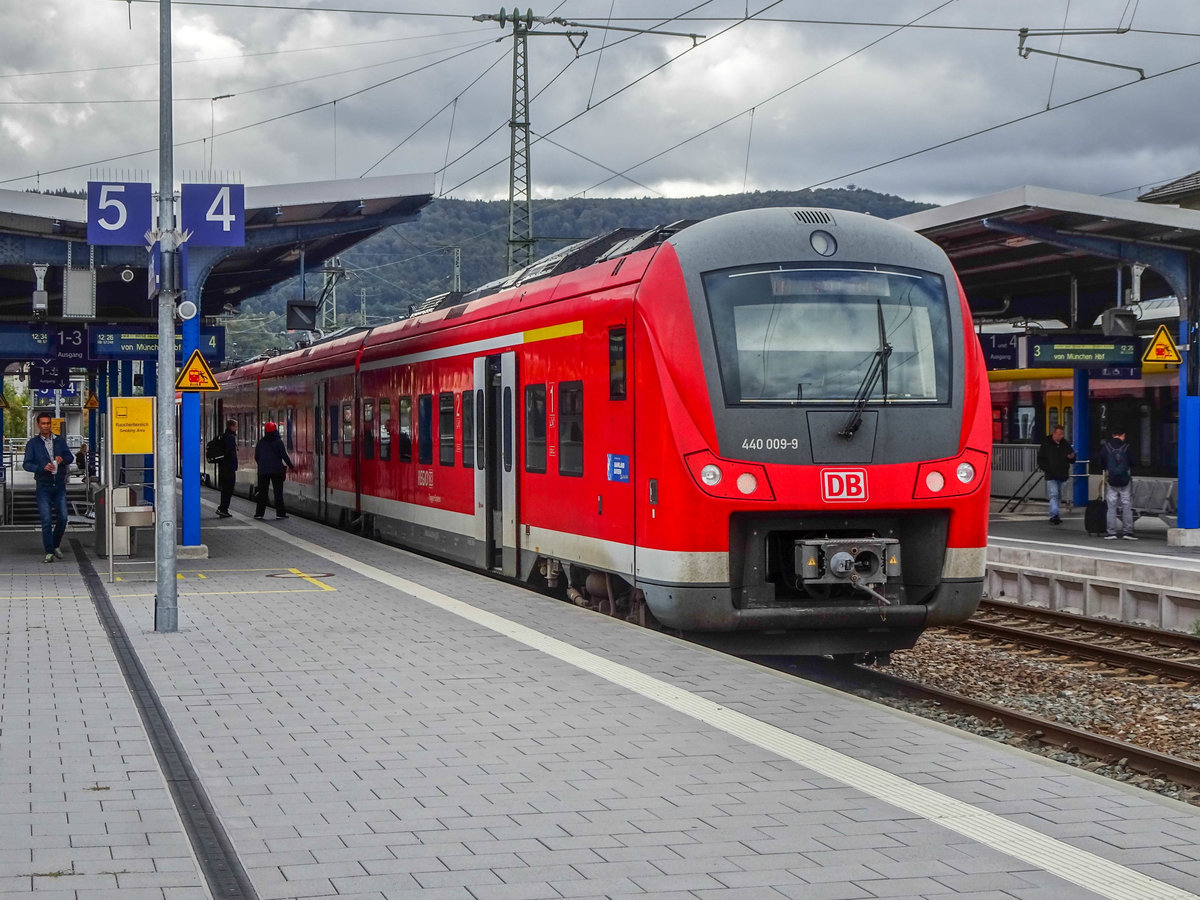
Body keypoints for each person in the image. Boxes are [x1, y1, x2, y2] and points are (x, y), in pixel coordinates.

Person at [22, 412, 72, 563]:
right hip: (43, 486)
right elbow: (26, 464)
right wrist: (41, 468)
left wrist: (62, 459)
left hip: (59, 486)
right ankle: (49, 552)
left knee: (63, 517)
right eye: (43, 423)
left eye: (48, 423)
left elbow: (71, 457)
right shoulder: (33, 444)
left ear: (51, 424)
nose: (46, 426)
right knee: (46, 520)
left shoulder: (60, 441)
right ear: (38, 425)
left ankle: (55, 545)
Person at [1099, 425, 1136, 540]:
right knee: (1126, 504)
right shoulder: (1127, 447)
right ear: (1123, 435)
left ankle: (1111, 532)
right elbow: (1133, 462)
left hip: (1112, 481)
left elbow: (1101, 462)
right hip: (1125, 481)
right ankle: (1127, 532)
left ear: (1113, 435)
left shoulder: (1106, 447)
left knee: (1111, 506)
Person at [253, 421, 293, 520]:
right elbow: (284, 456)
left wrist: (262, 464)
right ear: (275, 430)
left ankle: (259, 514)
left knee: (262, 493)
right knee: (278, 493)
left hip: (263, 471)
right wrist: (291, 467)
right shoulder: (278, 442)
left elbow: (257, 456)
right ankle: (280, 513)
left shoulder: (261, 442)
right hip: (277, 471)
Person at [1036, 425, 1075, 525]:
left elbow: (1072, 458)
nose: (1061, 436)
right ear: (1054, 433)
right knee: (1054, 494)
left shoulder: (1065, 444)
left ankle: (1054, 514)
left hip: (1062, 474)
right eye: (1059, 434)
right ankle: (1055, 514)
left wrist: (1071, 457)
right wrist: (1046, 468)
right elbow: (1041, 459)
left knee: (1059, 495)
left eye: (1062, 434)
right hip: (1051, 474)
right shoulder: (1046, 443)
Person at [215, 419, 238, 518]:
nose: (237, 428)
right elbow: (230, 453)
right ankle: (223, 509)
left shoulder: (224, 436)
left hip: (223, 467)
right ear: (231, 426)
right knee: (228, 489)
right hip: (228, 468)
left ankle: (222, 508)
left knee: (225, 489)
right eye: (236, 426)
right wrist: (234, 464)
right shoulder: (230, 438)